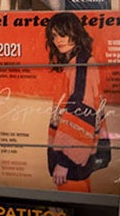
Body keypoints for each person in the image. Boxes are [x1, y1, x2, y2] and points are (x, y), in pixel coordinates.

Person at [45, 12, 108, 192]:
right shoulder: (79, 62)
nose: (58, 40)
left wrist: (65, 161)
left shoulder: (81, 65)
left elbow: (82, 110)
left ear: (76, 34)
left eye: (63, 34)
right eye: (54, 36)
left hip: (72, 157)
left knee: (72, 206)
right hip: (80, 151)